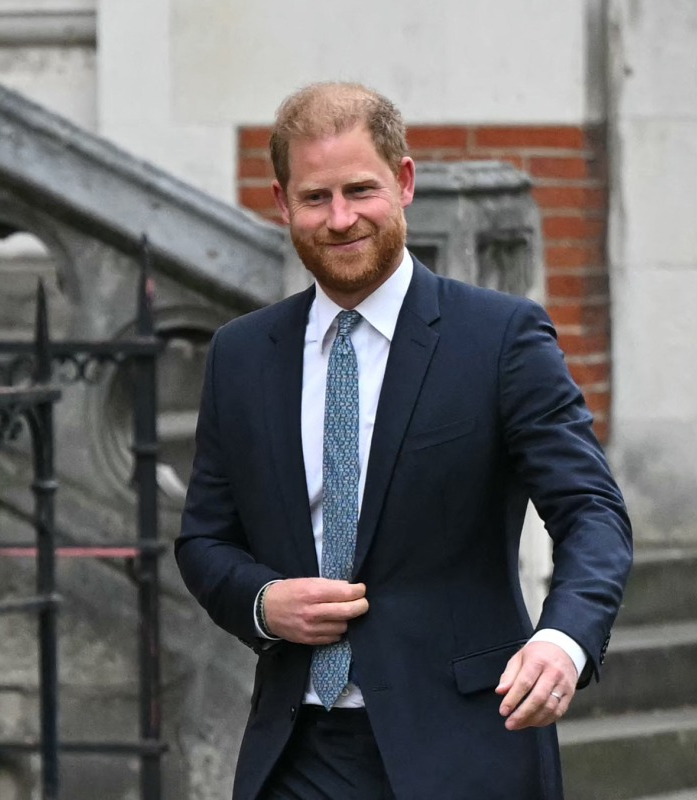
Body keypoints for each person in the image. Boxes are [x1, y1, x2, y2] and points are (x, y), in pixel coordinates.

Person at [175, 82, 632, 800]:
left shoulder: (501, 339)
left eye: (361, 190)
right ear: (282, 201)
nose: (340, 218)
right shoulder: (239, 356)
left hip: (467, 747)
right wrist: (264, 602)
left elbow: (592, 513)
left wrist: (563, 639)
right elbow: (203, 540)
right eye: (316, 198)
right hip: (297, 751)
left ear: (405, 182)